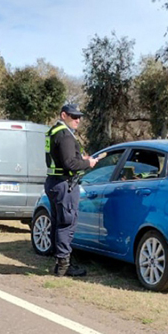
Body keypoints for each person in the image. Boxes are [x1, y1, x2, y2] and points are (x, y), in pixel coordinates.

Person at [45, 104, 101, 277]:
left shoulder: (54, 131)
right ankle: (63, 265)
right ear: (64, 115)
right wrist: (88, 163)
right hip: (64, 184)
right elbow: (70, 164)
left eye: (79, 117)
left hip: (54, 182)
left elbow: (62, 159)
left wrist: (79, 158)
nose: (78, 120)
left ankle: (60, 259)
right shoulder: (65, 136)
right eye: (74, 117)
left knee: (58, 222)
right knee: (66, 224)